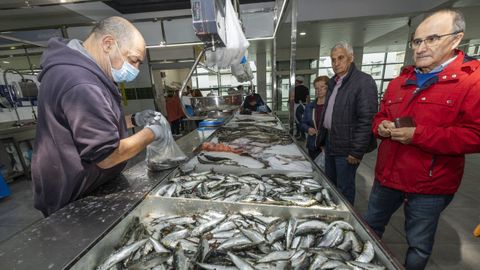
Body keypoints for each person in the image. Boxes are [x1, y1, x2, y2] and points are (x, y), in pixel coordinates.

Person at [364, 9, 480, 270]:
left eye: (432, 39)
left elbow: (475, 135)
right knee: (368, 228)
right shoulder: (400, 80)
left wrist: (418, 135)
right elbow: (380, 115)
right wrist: (379, 126)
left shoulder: (472, 80)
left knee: (418, 244)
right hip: (387, 176)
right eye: (417, 41)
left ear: (455, 39)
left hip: (430, 184)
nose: (421, 47)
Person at [32, 17, 169, 217]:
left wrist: (133, 119)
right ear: (107, 44)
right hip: (73, 198)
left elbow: (89, 125)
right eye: (133, 60)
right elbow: (106, 155)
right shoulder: (80, 83)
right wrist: (153, 132)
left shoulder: (83, 72)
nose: (136, 70)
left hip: (87, 185)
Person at [318, 42, 378, 205]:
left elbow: (367, 119)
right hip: (331, 141)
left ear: (351, 58)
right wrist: (323, 139)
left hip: (347, 146)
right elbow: (328, 113)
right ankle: (332, 211)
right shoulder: (333, 82)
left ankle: (344, 219)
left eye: (340, 58)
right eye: (333, 59)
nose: (336, 63)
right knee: (330, 184)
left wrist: (357, 151)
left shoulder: (363, 82)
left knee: (344, 187)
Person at [301, 76, 329, 159]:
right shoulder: (310, 106)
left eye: (322, 87)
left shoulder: (333, 106)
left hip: (328, 147)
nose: (319, 90)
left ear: (329, 88)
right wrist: (308, 129)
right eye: (316, 88)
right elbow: (303, 123)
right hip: (313, 145)